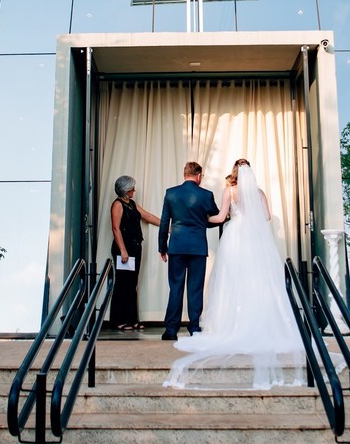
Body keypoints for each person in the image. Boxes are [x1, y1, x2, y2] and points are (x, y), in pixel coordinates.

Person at [164, 159, 306, 390]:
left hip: (235, 238)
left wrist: (195, 220)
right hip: (255, 240)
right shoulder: (259, 192)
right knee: (258, 282)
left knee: (232, 282)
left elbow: (220, 218)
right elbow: (267, 217)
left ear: (234, 172)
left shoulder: (230, 190)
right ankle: (259, 323)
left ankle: (230, 325)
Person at [157, 161, 219, 341]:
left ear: (185, 174)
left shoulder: (171, 193)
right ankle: (194, 327)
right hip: (198, 247)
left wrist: (162, 247)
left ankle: (171, 329)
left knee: (175, 287)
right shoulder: (206, 195)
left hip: (176, 246)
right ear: (199, 176)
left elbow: (164, 222)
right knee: (195, 288)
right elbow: (214, 218)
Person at [109, 174, 159, 331]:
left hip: (135, 247)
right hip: (124, 249)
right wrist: (123, 251)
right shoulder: (117, 205)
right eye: (132, 188)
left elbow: (147, 216)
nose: (134, 190)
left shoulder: (131, 204)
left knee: (132, 284)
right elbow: (116, 228)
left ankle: (131, 319)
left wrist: (167, 226)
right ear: (125, 189)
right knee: (122, 283)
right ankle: (118, 320)